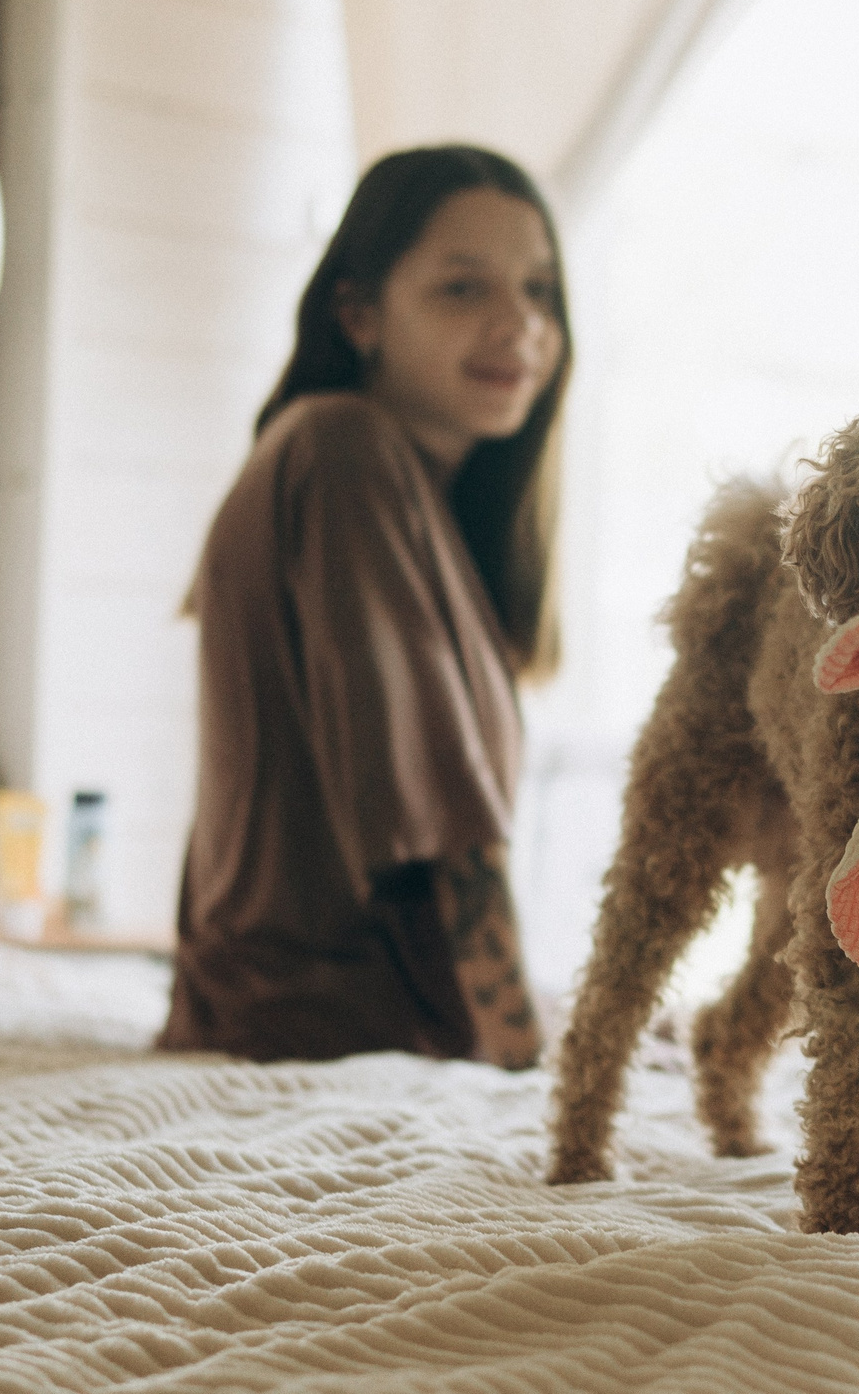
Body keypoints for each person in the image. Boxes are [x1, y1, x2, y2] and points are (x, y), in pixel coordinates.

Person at [158, 146, 568, 1069]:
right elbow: (447, 840)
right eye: (464, 289)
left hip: (367, 1029)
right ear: (359, 313)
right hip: (318, 1039)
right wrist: (528, 1060)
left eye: (539, 291)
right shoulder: (343, 450)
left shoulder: (419, 499)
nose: (520, 325)